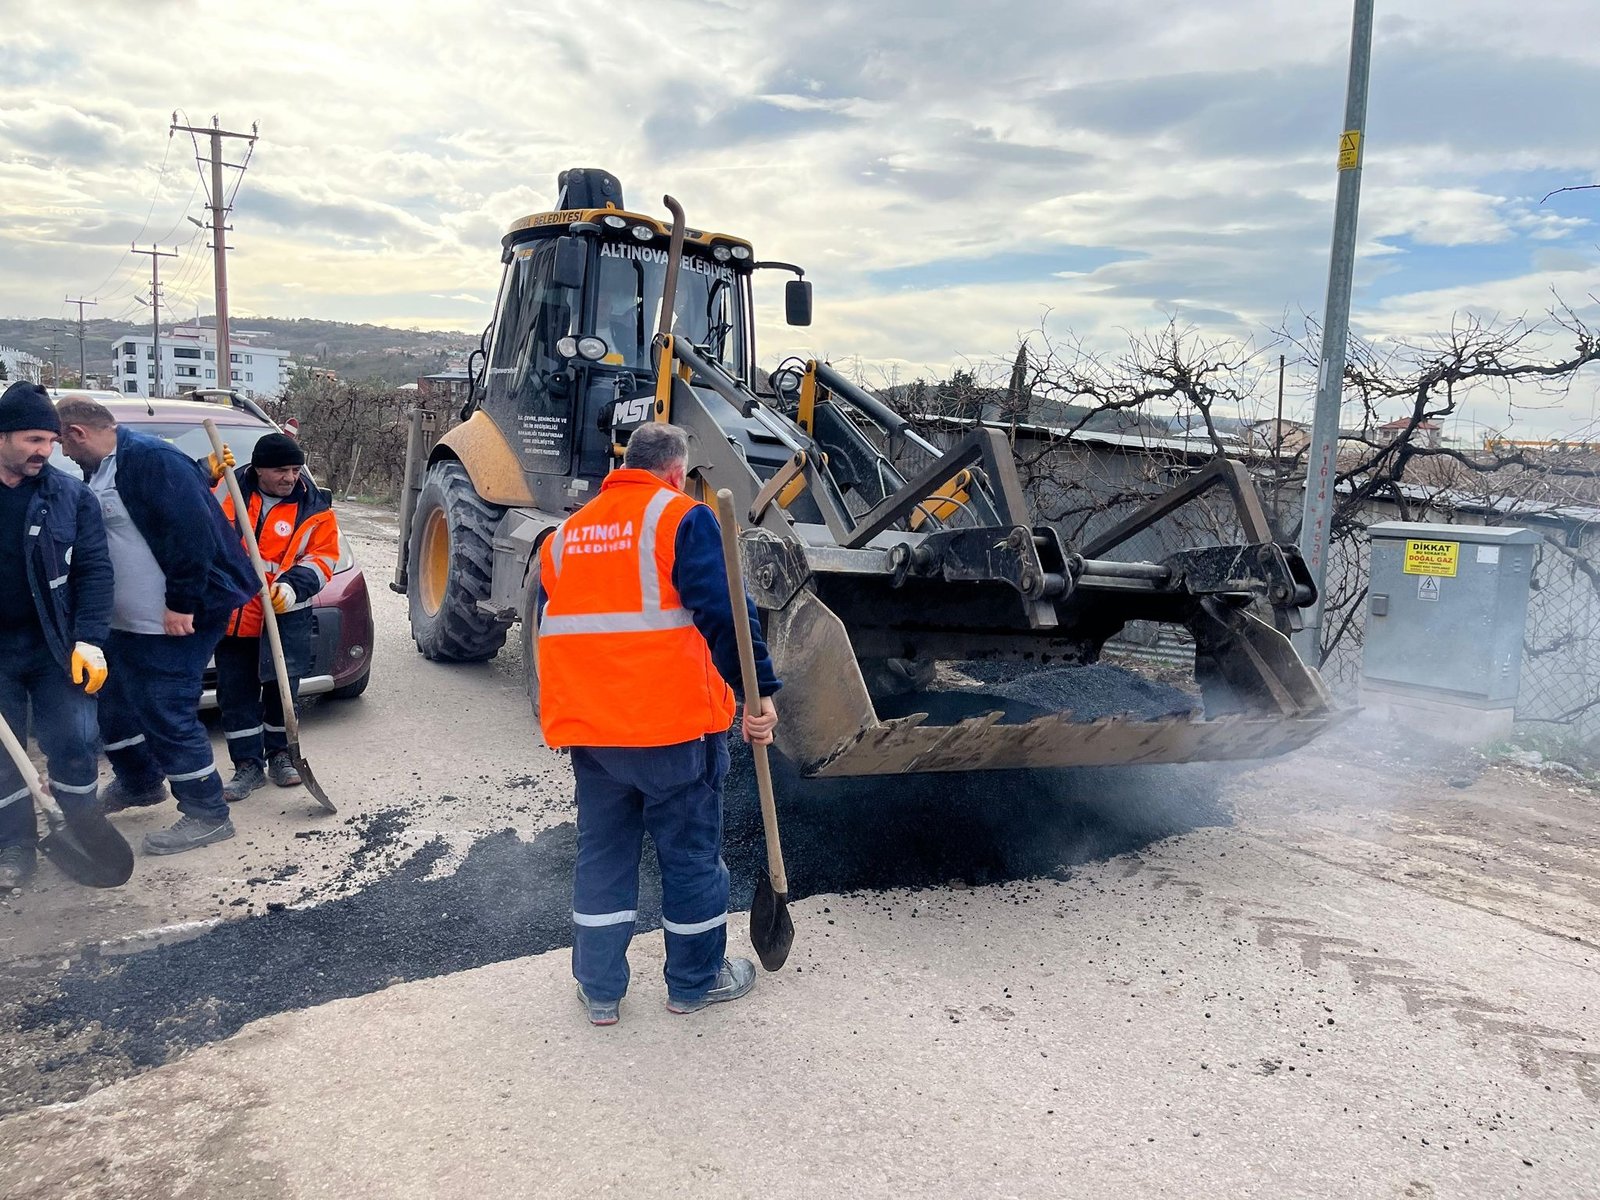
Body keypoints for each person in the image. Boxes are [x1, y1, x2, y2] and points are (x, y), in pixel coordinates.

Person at [537, 421, 781, 1026]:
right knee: (691, 855)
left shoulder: (565, 536)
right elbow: (725, 611)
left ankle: (598, 990)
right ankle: (694, 983)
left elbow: (575, 625)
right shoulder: (681, 518)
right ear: (676, 472)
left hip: (593, 734)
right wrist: (760, 695)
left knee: (603, 855)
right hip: (671, 729)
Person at [55, 395, 258, 856]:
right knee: (114, 700)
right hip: (127, 622)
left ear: (77, 434)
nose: (62, 454)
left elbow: (192, 537)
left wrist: (182, 604)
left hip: (181, 616)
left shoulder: (151, 460)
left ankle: (208, 813)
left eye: (62, 444)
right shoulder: (103, 468)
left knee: (166, 708)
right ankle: (140, 782)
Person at [0, 384, 113, 888]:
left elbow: (94, 571)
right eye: (31, 439)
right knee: (4, 757)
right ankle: (15, 845)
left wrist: (90, 638)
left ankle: (81, 827)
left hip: (55, 645)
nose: (44, 450)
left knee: (74, 740)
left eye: (49, 439)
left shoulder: (69, 496)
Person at [214, 433, 340, 799]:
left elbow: (323, 558)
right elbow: (190, 516)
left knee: (281, 691)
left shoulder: (314, 510)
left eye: (295, 469)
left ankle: (282, 755)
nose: (290, 477)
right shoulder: (229, 492)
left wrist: (291, 587)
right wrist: (204, 473)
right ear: (258, 470)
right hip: (235, 615)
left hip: (285, 617)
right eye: (281, 470)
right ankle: (247, 766)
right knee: (235, 695)